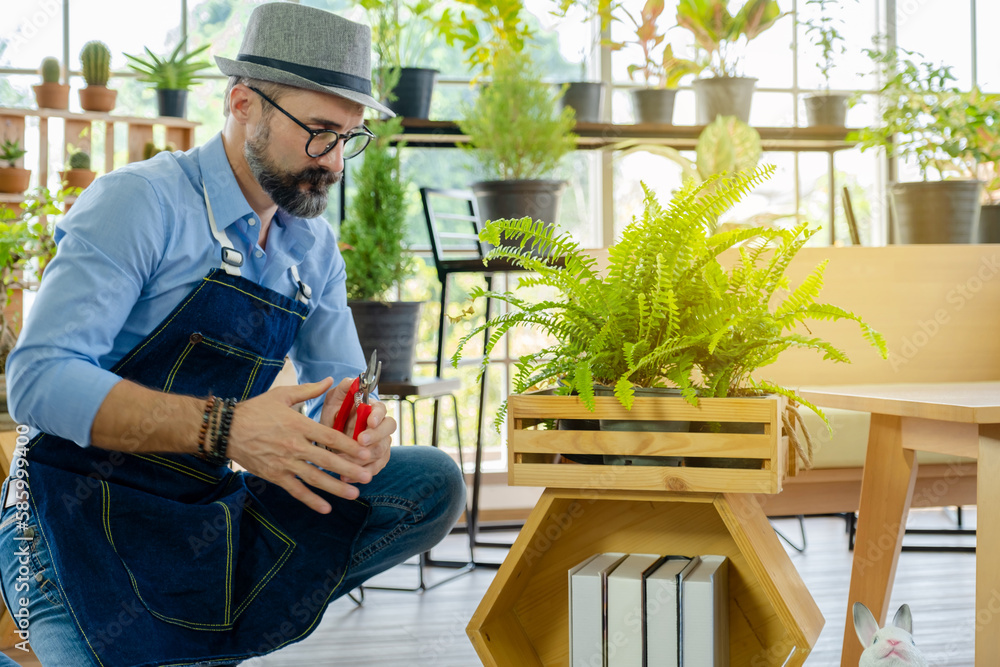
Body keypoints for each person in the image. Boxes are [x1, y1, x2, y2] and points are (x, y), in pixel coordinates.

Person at [0, 4, 466, 666]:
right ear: (243, 102)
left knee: (429, 483)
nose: (335, 163)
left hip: (197, 518)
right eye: (319, 132)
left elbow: (336, 395)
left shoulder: (313, 250)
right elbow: (37, 382)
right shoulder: (139, 203)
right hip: (61, 523)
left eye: (349, 138)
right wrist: (225, 428)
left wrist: (357, 435)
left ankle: (203, 629)